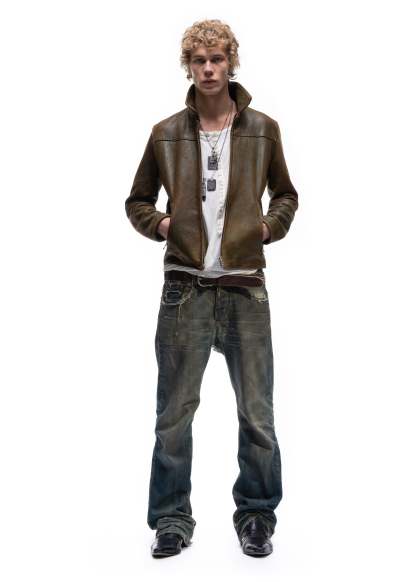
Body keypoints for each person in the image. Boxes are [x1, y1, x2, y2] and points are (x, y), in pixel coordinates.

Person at [125, 19, 299, 558]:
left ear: (230, 63)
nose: (208, 69)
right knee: (173, 415)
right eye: (198, 61)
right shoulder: (165, 132)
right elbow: (137, 201)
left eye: (216, 59)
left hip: (246, 289)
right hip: (185, 290)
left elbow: (287, 195)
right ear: (188, 66)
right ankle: (171, 520)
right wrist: (162, 225)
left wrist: (265, 229)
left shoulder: (264, 129)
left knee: (257, 414)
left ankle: (257, 516)